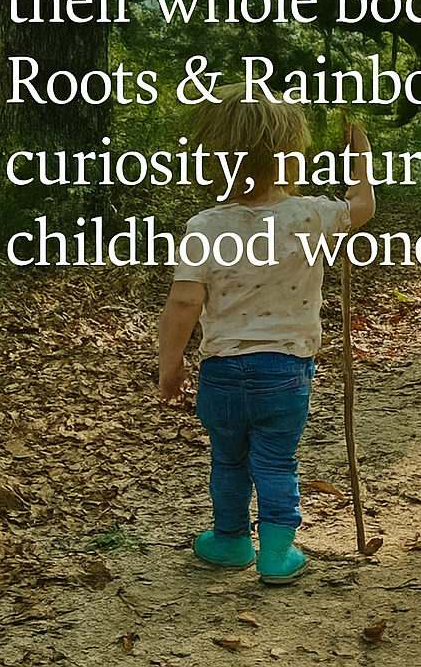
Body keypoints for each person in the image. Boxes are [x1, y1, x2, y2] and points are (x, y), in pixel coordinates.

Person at [157, 86, 374, 583]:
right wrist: (359, 153)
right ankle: (278, 552)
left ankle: (231, 541)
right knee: (277, 460)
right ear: (291, 154)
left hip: (221, 371)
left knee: (228, 460)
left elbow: (184, 303)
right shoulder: (309, 214)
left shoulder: (206, 226)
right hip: (286, 370)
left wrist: (170, 364)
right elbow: (360, 205)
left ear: (213, 158)